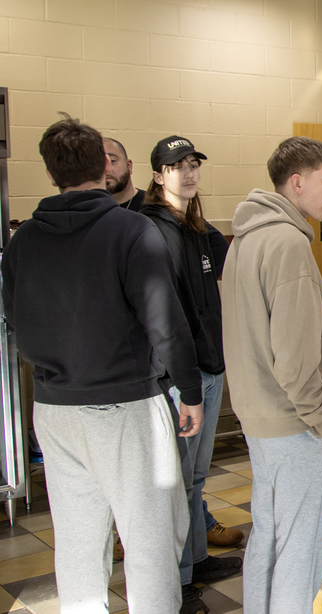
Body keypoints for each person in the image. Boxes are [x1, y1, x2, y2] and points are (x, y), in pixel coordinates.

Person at [1, 114, 203, 611]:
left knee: (77, 541)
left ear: (50, 173)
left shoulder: (23, 240)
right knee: (152, 540)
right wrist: (191, 392)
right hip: (126, 406)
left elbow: (15, 318)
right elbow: (166, 323)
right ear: (104, 166)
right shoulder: (131, 231)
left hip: (53, 409)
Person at [221, 136, 322, 614]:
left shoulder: (247, 237)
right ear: (296, 183)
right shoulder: (289, 243)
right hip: (295, 424)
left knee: (269, 541)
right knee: (301, 555)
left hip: (258, 418)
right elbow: (294, 360)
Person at [140, 135, 241, 612]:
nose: (188, 171)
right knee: (176, 481)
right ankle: (177, 583)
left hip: (210, 367)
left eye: (194, 162)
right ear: (159, 174)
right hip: (178, 380)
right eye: (176, 165)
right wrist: (182, 382)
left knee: (197, 477)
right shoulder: (146, 230)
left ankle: (196, 560)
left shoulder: (202, 230)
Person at [103, 137, 146, 211]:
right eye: (99, 164)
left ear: (129, 166)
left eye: (112, 161)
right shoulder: (86, 209)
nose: (106, 169)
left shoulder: (153, 206)